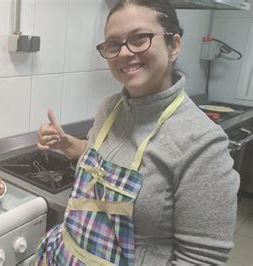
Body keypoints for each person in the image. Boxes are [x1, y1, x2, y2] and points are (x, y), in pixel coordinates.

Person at [35, 0, 239, 265]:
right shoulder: (109, 109)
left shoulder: (203, 144)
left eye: (140, 38)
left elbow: (201, 259)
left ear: (173, 45)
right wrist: (66, 144)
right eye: (113, 44)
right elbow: (103, 161)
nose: (124, 53)